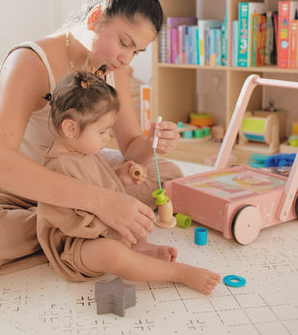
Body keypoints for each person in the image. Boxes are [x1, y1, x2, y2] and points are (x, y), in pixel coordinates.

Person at [0, 0, 183, 275]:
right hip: (20, 190)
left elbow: (131, 147)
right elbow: (2, 163)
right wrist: (100, 201)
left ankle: (73, 229)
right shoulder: (30, 62)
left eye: (136, 51)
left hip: (80, 172)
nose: (127, 59)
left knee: (168, 174)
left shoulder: (114, 66)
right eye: (125, 43)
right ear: (96, 16)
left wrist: (152, 143)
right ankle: (73, 228)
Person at [37, 71, 221, 295]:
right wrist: (115, 228)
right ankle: (178, 273)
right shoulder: (59, 166)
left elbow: (97, 185)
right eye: (102, 131)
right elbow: (74, 220)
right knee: (112, 254)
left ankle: (139, 248)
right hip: (76, 246)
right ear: (71, 128)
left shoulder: (81, 149)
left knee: (134, 210)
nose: (107, 138)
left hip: (101, 230)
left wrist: (119, 175)